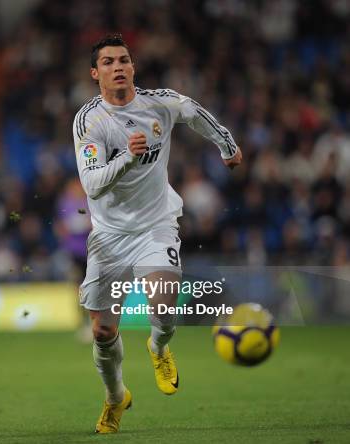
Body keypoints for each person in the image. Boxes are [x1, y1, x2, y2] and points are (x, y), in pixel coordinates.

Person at [72, 34, 242, 434]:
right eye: (109, 61)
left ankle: (158, 347)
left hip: (155, 224)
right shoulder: (89, 121)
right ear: (95, 73)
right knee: (102, 330)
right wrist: (129, 157)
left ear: (133, 67)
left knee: (163, 306)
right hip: (109, 235)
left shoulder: (159, 103)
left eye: (124, 60)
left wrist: (226, 145)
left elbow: (194, 112)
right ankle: (116, 398)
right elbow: (92, 185)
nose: (118, 67)